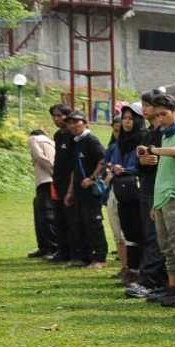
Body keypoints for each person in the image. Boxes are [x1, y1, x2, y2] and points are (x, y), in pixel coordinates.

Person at [140, 93, 175, 307]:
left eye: (164, 114)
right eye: (157, 115)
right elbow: (162, 173)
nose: (160, 119)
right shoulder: (164, 135)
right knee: (166, 247)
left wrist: (153, 150)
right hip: (162, 199)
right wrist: (155, 203)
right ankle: (172, 288)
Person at [125, 90, 170, 300]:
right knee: (149, 234)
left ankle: (151, 281)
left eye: (148, 105)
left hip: (161, 190)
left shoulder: (169, 133)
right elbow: (139, 163)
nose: (144, 109)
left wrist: (154, 159)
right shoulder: (147, 133)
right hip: (147, 187)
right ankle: (153, 279)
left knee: (156, 236)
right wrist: (142, 161)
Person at [63, 111, 108, 269]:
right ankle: (85, 257)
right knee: (80, 223)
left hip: (91, 191)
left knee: (94, 223)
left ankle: (100, 258)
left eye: (77, 122)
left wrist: (92, 178)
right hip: (78, 191)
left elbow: (103, 160)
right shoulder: (75, 142)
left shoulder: (91, 140)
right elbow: (75, 169)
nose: (73, 125)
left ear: (85, 122)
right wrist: (70, 191)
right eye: (70, 123)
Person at [110, 104, 145, 282]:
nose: (127, 122)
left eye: (131, 118)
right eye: (124, 118)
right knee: (127, 229)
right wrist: (116, 168)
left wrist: (126, 169)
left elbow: (141, 166)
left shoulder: (143, 140)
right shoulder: (120, 142)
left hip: (137, 189)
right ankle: (131, 269)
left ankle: (140, 270)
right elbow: (114, 161)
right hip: (121, 190)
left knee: (139, 229)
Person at [49, 104, 75, 263]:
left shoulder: (73, 135)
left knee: (71, 217)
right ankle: (62, 250)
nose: (57, 119)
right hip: (57, 180)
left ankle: (74, 250)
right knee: (59, 216)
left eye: (60, 115)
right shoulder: (58, 135)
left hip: (70, 181)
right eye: (54, 116)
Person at [103, 119, 128, 277]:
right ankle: (124, 266)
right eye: (116, 131)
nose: (119, 134)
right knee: (116, 231)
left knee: (127, 232)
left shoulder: (133, 146)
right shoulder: (113, 147)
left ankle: (131, 267)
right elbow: (106, 164)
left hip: (127, 190)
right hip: (113, 189)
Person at [27, 128, 57, 258]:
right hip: (52, 181)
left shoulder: (34, 139)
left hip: (45, 180)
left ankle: (49, 247)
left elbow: (39, 157)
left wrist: (52, 171)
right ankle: (46, 246)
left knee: (45, 215)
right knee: (46, 213)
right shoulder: (52, 142)